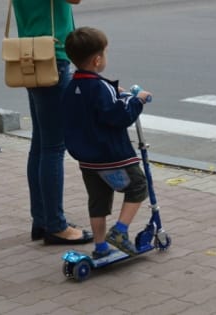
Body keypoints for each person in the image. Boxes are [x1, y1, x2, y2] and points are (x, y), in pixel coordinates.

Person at [63, 27, 152, 258]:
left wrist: (114, 92)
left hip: (87, 158)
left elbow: (91, 107)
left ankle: (101, 246)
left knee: (98, 200)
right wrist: (137, 101)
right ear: (97, 59)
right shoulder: (101, 87)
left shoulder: (71, 87)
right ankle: (121, 230)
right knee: (138, 185)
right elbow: (118, 116)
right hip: (112, 155)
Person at [12, 0, 93, 245]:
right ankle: (56, 226)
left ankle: (42, 219)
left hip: (30, 53)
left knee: (40, 145)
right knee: (53, 148)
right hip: (52, 55)